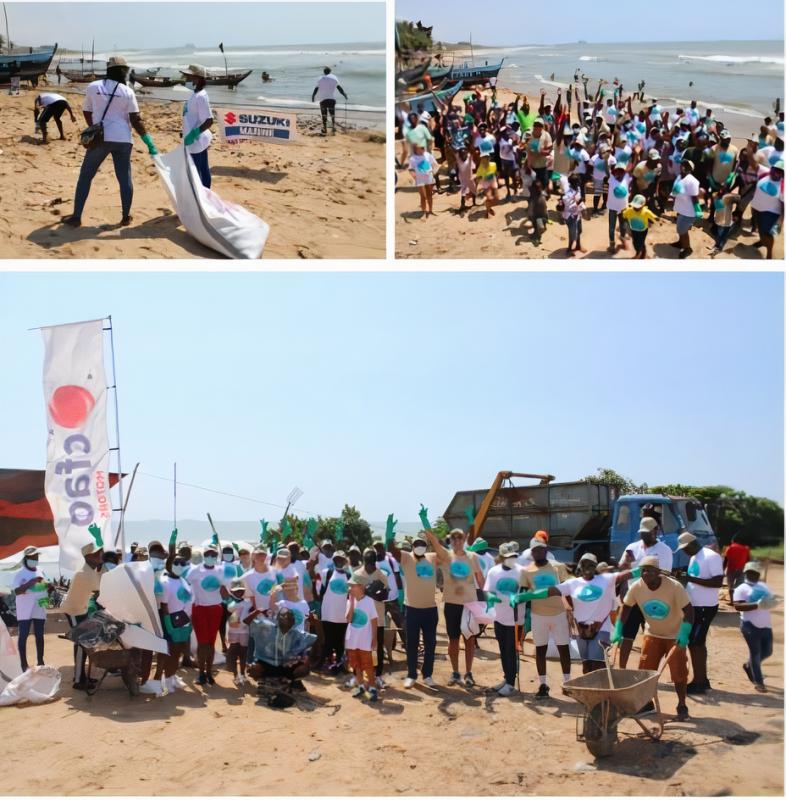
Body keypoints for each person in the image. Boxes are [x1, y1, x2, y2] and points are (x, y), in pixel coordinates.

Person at [62, 55, 157, 228]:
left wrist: (95, 128)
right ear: (123, 72)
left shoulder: (93, 86)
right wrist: (148, 142)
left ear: (108, 69)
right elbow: (136, 119)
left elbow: (86, 111)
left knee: (85, 177)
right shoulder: (127, 91)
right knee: (124, 178)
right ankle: (126, 217)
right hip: (123, 140)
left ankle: (76, 217)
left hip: (101, 138)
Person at [612, 555, 694, 721]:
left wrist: (684, 633)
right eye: (643, 571)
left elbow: (689, 612)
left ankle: (682, 704)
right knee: (645, 671)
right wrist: (619, 629)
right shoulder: (637, 587)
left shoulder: (674, 587)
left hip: (674, 635)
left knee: (678, 673)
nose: (645, 574)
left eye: (649, 570)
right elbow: (626, 608)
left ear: (658, 572)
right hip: (652, 633)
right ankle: (646, 703)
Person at [534, 552, 635, 674]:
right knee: (586, 665)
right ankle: (589, 689)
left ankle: (600, 689)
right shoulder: (575, 583)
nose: (587, 568)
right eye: (585, 565)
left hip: (601, 628)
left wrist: (616, 632)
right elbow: (563, 594)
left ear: (595, 568)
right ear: (580, 567)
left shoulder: (608, 584)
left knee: (596, 663)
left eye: (591, 565)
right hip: (581, 629)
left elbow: (615, 609)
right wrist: (569, 608)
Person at [421, 511, 484, 687]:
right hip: (451, 605)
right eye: (453, 538)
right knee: (453, 640)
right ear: (451, 541)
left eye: (459, 538)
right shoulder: (446, 556)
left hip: (469, 605)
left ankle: (469, 673)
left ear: (464, 540)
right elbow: (433, 540)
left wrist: (486, 601)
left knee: (470, 639)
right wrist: (425, 520)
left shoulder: (473, 557)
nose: (456, 541)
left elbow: (480, 580)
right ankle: (455, 672)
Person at [617, 516, 674, 668]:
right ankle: (622, 669)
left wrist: (637, 571)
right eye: (642, 533)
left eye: (648, 532)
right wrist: (626, 563)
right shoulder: (632, 547)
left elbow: (665, 574)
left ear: (656, 531)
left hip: (654, 599)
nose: (644, 536)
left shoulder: (664, 550)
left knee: (652, 637)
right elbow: (622, 570)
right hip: (634, 597)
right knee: (627, 636)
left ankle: (647, 670)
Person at [518, 538, 570, 697]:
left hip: (558, 614)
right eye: (536, 550)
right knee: (540, 650)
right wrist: (517, 601)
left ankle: (567, 683)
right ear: (532, 552)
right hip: (537, 615)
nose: (539, 552)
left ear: (546, 550)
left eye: (542, 549)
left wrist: (570, 609)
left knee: (564, 649)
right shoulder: (526, 571)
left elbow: (567, 589)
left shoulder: (558, 567)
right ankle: (542, 685)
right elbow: (523, 593)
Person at [674, 531, 724, 695]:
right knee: (696, 642)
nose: (684, 551)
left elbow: (718, 582)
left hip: (705, 607)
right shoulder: (695, 556)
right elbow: (694, 577)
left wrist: (689, 578)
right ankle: (702, 680)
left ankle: (699, 682)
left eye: (684, 548)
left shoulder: (711, 556)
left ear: (692, 544)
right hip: (696, 607)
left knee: (695, 643)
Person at [389, 534, 438, 688]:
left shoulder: (432, 557)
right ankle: (411, 674)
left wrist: (428, 527)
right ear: (412, 546)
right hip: (412, 609)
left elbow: (443, 549)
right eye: (416, 544)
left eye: (422, 544)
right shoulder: (407, 558)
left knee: (431, 643)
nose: (419, 546)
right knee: (412, 643)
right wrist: (389, 534)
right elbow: (392, 550)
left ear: (426, 546)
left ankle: (428, 674)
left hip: (430, 609)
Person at [60, 531, 105, 690]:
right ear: (89, 557)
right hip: (73, 610)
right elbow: (100, 585)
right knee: (81, 644)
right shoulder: (83, 573)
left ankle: (82, 676)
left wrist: (100, 540)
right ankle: (79, 681)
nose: (101, 555)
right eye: (98, 553)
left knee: (83, 644)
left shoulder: (89, 569)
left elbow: (99, 577)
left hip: (82, 609)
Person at [186, 541, 230, 686]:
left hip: (215, 609)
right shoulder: (195, 571)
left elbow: (225, 593)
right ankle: (201, 674)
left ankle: (209, 673)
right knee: (202, 643)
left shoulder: (220, 571)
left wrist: (226, 590)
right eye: (208, 554)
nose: (210, 556)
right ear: (204, 555)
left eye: (213, 554)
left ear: (217, 556)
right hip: (200, 609)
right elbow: (186, 587)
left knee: (211, 643)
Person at [483, 542, 524, 696]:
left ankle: (511, 684)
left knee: (511, 651)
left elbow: (527, 593)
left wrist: (519, 598)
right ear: (501, 557)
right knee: (503, 650)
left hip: (515, 620)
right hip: (499, 618)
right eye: (508, 557)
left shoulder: (522, 572)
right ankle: (507, 679)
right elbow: (487, 592)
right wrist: (494, 597)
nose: (511, 559)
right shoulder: (494, 572)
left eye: (513, 556)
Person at [733, 561, 776, 692]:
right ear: (746, 573)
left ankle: (748, 665)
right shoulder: (741, 589)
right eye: (751, 572)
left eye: (756, 572)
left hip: (766, 624)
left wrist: (773, 602)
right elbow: (738, 606)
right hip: (750, 625)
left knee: (768, 651)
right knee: (755, 653)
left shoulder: (763, 586)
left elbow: (771, 600)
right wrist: (757, 604)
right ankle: (759, 681)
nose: (754, 574)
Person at [351, 547, 389, 688]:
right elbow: (352, 594)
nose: (371, 567)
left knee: (376, 648)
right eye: (368, 564)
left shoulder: (381, 575)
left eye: (373, 564)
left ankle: (377, 675)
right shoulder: (356, 575)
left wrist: (377, 592)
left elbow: (386, 595)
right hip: (361, 619)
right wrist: (366, 591)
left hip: (377, 618)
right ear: (364, 562)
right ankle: (359, 675)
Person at [12, 547, 52, 671]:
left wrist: (49, 587)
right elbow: (17, 591)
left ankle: (40, 661)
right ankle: (24, 664)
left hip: (39, 608)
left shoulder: (41, 570)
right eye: (33, 557)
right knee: (23, 635)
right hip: (25, 610)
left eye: (37, 557)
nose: (35, 559)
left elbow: (45, 586)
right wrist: (31, 582)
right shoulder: (20, 573)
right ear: (27, 559)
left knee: (40, 635)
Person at [159, 552, 193, 693]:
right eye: (176, 563)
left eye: (182, 563)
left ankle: (172, 676)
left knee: (178, 651)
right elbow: (164, 606)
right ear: (169, 565)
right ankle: (166, 679)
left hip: (185, 622)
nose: (179, 566)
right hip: (173, 622)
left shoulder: (183, 581)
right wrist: (169, 626)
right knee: (171, 652)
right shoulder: (165, 582)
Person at [316, 549, 351, 671]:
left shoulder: (349, 576)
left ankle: (338, 665)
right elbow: (320, 592)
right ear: (334, 560)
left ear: (344, 561)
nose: (339, 561)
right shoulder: (327, 573)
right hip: (328, 614)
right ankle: (322, 663)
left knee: (340, 642)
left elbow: (350, 596)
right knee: (329, 640)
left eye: (341, 559)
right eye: (337, 559)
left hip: (342, 615)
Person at [345, 575, 379, 701]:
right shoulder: (349, 601)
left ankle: (372, 688)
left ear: (361, 587)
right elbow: (348, 619)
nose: (350, 588)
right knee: (356, 665)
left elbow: (374, 620)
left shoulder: (369, 601)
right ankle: (360, 686)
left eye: (352, 586)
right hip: (352, 639)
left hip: (365, 639)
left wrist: (374, 638)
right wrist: (352, 603)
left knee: (368, 665)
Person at [180, 65, 214, 188]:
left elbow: (209, 121)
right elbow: (192, 116)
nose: (185, 78)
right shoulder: (195, 94)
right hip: (194, 139)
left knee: (197, 175)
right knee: (202, 171)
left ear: (197, 79)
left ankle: (202, 200)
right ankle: (205, 198)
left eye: (188, 76)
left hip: (196, 140)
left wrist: (193, 134)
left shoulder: (201, 96)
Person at [749, 159, 784, 260]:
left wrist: (780, 221)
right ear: (771, 169)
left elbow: (783, 205)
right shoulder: (764, 173)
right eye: (776, 170)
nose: (777, 173)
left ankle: (769, 252)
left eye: (781, 171)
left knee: (766, 234)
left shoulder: (783, 185)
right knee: (760, 229)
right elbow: (752, 162)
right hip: (757, 209)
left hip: (771, 213)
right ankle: (762, 241)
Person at [670, 159, 702, 259]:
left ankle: (687, 248)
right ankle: (681, 243)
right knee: (680, 229)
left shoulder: (692, 181)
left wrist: (698, 210)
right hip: (681, 208)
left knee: (682, 230)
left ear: (690, 169)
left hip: (689, 211)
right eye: (683, 165)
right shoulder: (680, 177)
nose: (683, 167)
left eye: (686, 166)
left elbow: (694, 197)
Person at [226, 579, 253, 686]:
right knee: (233, 652)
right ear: (232, 591)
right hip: (233, 632)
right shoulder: (230, 603)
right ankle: (235, 675)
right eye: (236, 591)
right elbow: (230, 609)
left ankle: (242, 673)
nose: (239, 592)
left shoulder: (248, 603)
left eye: (241, 590)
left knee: (243, 653)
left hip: (245, 632)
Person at [311, 66, 348, 136]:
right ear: (330, 72)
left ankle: (325, 129)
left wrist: (313, 96)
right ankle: (333, 128)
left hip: (323, 100)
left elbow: (316, 89)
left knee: (324, 115)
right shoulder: (334, 79)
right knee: (332, 115)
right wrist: (344, 94)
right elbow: (339, 88)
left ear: (324, 72)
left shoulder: (320, 79)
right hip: (331, 99)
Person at [623, 194, 658, 259]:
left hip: (643, 230)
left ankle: (641, 255)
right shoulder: (630, 210)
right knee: (635, 242)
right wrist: (623, 214)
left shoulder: (645, 211)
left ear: (643, 205)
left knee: (641, 242)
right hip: (633, 229)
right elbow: (624, 214)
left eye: (638, 206)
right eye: (634, 206)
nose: (636, 208)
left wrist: (657, 219)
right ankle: (639, 252)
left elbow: (652, 216)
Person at [408, 143, 438, 218]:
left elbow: (434, 164)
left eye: (423, 147)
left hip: (429, 177)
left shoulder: (427, 155)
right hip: (420, 179)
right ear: (416, 149)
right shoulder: (413, 158)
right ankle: (424, 212)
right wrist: (413, 175)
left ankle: (430, 210)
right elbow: (410, 169)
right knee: (423, 196)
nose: (423, 149)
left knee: (430, 194)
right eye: (421, 148)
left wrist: (434, 171)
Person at [560, 173, 586, 257]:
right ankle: (569, 249)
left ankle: (578, 246)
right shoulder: (568, 193)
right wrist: (577, 203)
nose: (580, 183)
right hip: (571, 216)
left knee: (579, 230)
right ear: (573, 183)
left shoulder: (578, 189)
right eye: (578, 182)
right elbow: (568, 206)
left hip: (577, 214)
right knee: (572, 234)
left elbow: (579, 199)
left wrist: (581, 206)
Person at [724, 536, 752, 603]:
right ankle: (739, 599)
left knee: (730, 586)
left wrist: (722, 569)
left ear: (733, 541)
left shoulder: (729, 548)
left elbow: (726, 560)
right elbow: (748, 560)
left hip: (731, 569)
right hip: (742, 569)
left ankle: (732, 601)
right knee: (740, 585)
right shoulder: (746, 549)